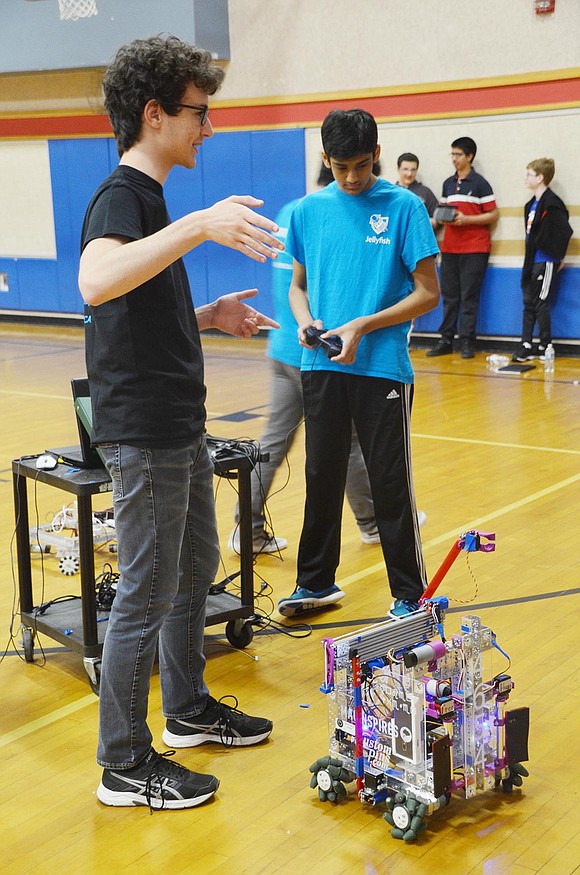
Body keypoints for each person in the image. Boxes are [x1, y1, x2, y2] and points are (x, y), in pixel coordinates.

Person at [78, 35, 283, 811]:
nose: (209, 126)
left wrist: (206, 313)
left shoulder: (152, 204)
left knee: (195, 565)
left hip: (178, 422)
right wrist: (199, 226)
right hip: (146, 430)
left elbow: (134, 315)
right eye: (200, 112)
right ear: (155, 114)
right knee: (147, 590)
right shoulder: (121, 196)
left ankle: (189, 708)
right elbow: (96, 281)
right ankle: (124, 761)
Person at [276, 109, 440, 620]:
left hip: (382, 369)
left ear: (377, 155)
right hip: (320, 366)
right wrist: (305, 321)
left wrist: (362, 325)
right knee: (320, 476)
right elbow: (298, 286)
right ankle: (315, 583)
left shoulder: (404, 207)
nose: (351, 177)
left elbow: (429, 293)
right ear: (325, 159)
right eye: (341, 166)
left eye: (362, 165)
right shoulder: (307, 211)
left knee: (390, 483)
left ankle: (411, 596)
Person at [229, 160, 387, 556]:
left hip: (283, 347)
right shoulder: (327, 217)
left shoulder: (291, 212)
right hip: (314, 355)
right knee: (348, 442)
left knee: (272, 444)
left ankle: (245, 531)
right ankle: (371, 524)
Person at [426, 136, 498, 359]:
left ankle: (467, 341)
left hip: (475, 249)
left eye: (458, 155)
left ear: (469, 156)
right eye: (452, 154)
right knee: (449, 296)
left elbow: (493, 214)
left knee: (469, 297)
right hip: (450, 248)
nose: (454, 159)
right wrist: (441, 218)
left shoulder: (480, 183)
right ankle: (446, 339)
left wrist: (467, 220)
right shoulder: (448, 183)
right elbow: (442, 211)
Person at [512, 158, 572, 362]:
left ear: (540, 178)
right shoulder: (532, 205)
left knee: (540, 301)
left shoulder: (553, 203)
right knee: (528, 301)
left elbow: (562, 230)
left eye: (530, 174)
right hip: (532, 260)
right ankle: (526, 343)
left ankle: (546, 344)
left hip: (545, 259)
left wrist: (558, 255)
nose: (526, 178)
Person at [396, 152, 439, 229]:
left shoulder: (425, 192)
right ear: (398, 169)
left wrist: (423, 223)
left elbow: (438, 220)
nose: (409, 174)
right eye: (405, 169)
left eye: (413, 170)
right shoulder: (392, 193)